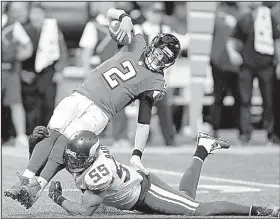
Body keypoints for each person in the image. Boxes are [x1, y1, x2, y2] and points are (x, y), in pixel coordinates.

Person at [4, 7, 181, 209]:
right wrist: (123, 17)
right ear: (153, 46)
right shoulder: (137, 41)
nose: (158, 59)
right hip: (81, 93)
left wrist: (137, 154)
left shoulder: (157, 82)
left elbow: (143, 122)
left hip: (101, 111)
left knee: (66, 140)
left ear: (169, 63)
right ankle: (26, 181)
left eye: (164, 59)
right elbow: (111, 13)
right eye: (159, 53)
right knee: (52, 132)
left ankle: (37, 188)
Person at [41, 130, 279, 217]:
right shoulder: (84, 155)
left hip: (146, 193)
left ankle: (259, 211)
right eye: (72, 156)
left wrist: (59, 199)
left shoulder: (97, 173)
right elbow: (51, 157)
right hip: (138, 192)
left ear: (91, 157)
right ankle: (203, 148)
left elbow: (85, 211)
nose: (72, 162)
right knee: (186, 196)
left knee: (198, 210)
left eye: (78, 158)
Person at [227, 2, 280, 145]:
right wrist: (233, 53)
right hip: (247, 65)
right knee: (245, 100)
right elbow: (232, 39)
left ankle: (272, 134)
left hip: (266, 65)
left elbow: (277, 41)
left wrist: (279, 62)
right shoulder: (245, 19)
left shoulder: (269, 18)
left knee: (269, 101)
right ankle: (245, 134)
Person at [21, 3, 68, 135]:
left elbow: (62, 49)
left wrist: (59, 70)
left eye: (38, 13)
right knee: (31, 105)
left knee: (48, 104)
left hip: (48, 71)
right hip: (29, 72)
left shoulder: (52, 29)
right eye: (33, 13)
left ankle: (46, 134)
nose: (36, 17)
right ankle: (30, 134)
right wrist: (21, 73)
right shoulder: (24, 29)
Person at [1, 1, 32, 147]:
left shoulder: (13, 25)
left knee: (16, 103)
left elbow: (28, 46)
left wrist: (17, 57)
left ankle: (20, 136)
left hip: (10, 71)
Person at [210, 2, 241, 138]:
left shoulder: (216, 16)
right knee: (237, 98)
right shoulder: (238, 15)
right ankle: (241, 131)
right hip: (229, 63)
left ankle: (215, 129)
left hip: (221, 62)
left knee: (219, 97)